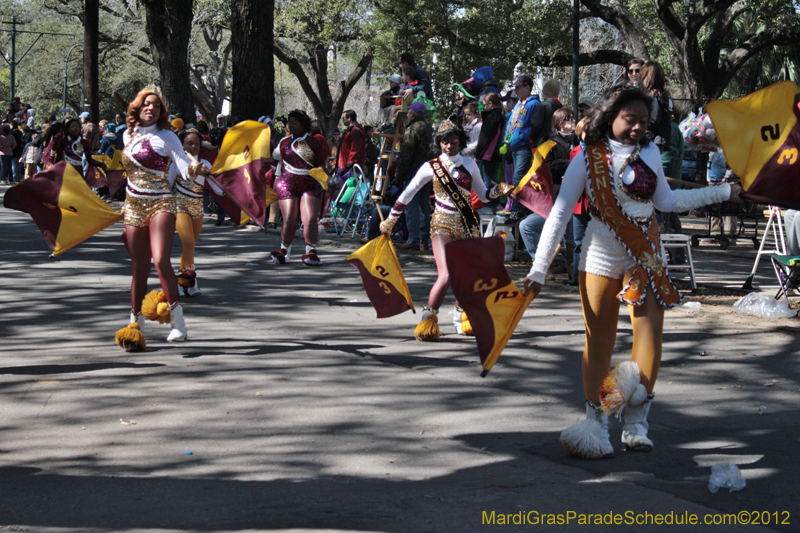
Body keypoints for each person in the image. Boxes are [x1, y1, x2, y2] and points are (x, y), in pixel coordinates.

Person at [522, 85, 743, 459]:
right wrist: (539, 269)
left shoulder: (652, 152)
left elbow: (668, 202)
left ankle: (637, 422)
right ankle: (596, 423)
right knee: (600, 342)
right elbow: (560, 212)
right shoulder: (587, 157)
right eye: (631, 119)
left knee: (650, 335)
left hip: (647, 254)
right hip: (600, 254)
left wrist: (721, 193)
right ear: (611, 117)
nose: (639, 127)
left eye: (644, 121)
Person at [380, 121, 514, 340]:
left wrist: (499, 190)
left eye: (452, 142)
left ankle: (461, 318)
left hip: (468, 224)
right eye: (444, 142)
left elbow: (482, 195)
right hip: (441, 223)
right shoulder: (430, 167)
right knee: (447, 274)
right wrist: (391, 219)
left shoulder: (470, 164)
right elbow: (407, 193)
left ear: (459, 141)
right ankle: (428, 320)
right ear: (439, 143)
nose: (449, 146)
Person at [115, 87, 209, 350]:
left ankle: (178, 321)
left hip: (162, 201)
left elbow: (182, 165)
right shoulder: (128, 134)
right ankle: (135, 326)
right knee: (139, 267)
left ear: (161, 111)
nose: (151, 108)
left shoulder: (167, 136)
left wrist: (194, 168)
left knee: (160, 259)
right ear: (137, 107)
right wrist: (124, 204)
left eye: (156, 105)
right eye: (146, 104)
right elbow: (130, 174)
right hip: (134, 205)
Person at [270, 109, 327, 266]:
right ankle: (284, 251)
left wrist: (321, 170)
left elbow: (321, 162)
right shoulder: (283, 142)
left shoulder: (315, 142)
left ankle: (311, 251)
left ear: (303, 125)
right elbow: (278, 161)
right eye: (290, 123)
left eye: (295, 123)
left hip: (310, 183)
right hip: (287, 183)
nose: (291, 125)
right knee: (289, 218)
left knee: (309, 218)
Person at [169, 128, 222, 297]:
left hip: (197, 207)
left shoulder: (205, 163)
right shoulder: (176, 163)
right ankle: (190, 281)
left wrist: (225, 192)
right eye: (189, 143)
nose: (193, 147)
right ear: (181, 145)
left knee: (189, 247)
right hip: (179, 206)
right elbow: (166, 185)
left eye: (196, 144)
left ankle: (185, 281)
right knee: (188, 241)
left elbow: (215, 186)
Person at [393, 101, 435, 251]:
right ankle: (424, 240)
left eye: (409, 112)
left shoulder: (413, 128)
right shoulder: (430, 129)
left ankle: (414, 240)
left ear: (412, 115)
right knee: (424, 206)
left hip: (413, 173)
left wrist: (400, 174)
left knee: (411, 206)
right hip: (428, 172)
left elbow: (406, 153)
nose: (408, 115)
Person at [502, 75, 540, 218]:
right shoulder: (519, 103)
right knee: (514, 177)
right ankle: (515, 207)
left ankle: (517, 209)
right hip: (513, 146)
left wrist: (525, 139)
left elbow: (534, 125)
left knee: (519, 177)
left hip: (524, 147)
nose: (515, 90)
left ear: (527, 87)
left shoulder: (533, 104)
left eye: (518, 87)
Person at [474, 93, 506, 204]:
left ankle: (489, 203)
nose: (484, 107)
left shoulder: (491, 117)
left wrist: (477, 154)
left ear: (490, 104)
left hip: (488, 153)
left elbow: (485, 137)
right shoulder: (500, 117)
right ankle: (495, 202)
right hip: (496, 153)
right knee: (493, 179)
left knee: (488, 180)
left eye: (484, 105)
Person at [638, 61, 672, 153]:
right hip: (655, 141)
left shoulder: (653, 96)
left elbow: (654, 119)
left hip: (649, 141)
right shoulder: (661, 96)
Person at [529, 79, 563, 148]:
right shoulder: (561, 108)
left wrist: (531, 139)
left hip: (540, 144)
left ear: (546, 92)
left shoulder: (542, 106)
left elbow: (536, 125)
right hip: (555, 144)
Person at [337, 110, 366, 181]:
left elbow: (355, 149)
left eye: (343, 118)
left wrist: (349, 163)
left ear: (349, 118)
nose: (342, 120)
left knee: (349, 190)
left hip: (350, 169)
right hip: (343, 166)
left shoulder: (355, 131)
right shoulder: (349, 131)